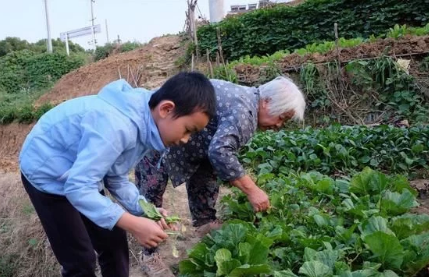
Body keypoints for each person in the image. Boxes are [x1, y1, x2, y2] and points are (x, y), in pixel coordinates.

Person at [18, 71, 217, 277]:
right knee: (80, 260)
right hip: (47, 173)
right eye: (187, 130)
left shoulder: (144, 124)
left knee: (113, 243)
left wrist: (146, 210)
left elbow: (115, 176)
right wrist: (134, 224)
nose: (185, 139)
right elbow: (78, 188)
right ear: (166, 109)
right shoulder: (117, 126)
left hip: (81, 175)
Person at [135, 76, 306, 276]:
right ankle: (149, 254)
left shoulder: (247, 101)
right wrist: (252, 190)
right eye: (282, 117)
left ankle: (205, 224)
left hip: (192, 141)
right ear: (267, 102)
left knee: (207, 172)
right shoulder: (245, 110)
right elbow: (220, 152)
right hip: (161, 130)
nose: (279, 125)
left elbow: (215, 153)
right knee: (151, 193)